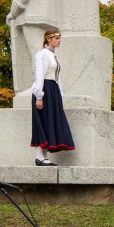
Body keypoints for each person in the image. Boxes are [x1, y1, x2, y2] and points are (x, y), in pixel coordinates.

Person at [31, 28, 76, 165]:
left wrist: (59, 95)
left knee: (50, 121)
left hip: (53, 90)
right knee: (43, 121)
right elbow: (40, 76)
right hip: (44, 90)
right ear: (48, 39)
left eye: (59, 38)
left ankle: (44, 157)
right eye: (57, 38)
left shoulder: (53, 55)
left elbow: (57, 77)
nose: (59, 40)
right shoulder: (42, 54)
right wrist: (39, 96)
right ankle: (39, 156)